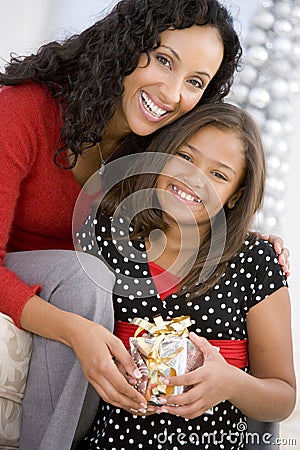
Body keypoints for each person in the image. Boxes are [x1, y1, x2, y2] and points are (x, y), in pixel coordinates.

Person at [0, 0, 289, 448]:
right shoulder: (24, 111)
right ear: (126, 45)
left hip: (102, 279)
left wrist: (244, 241)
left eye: (195, 82)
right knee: (84, 283)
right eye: (163, 59)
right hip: (33, 272)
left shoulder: (157, 142)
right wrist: (75, 330)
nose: (172, 93)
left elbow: (205, 185)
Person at [76, 102, 296, 450]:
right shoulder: (109, 234)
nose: (194, 179)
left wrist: (230, 383)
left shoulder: (256, 263)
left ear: (236, 196)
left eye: (219, 175)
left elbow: (283, 397)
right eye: (186, 157)